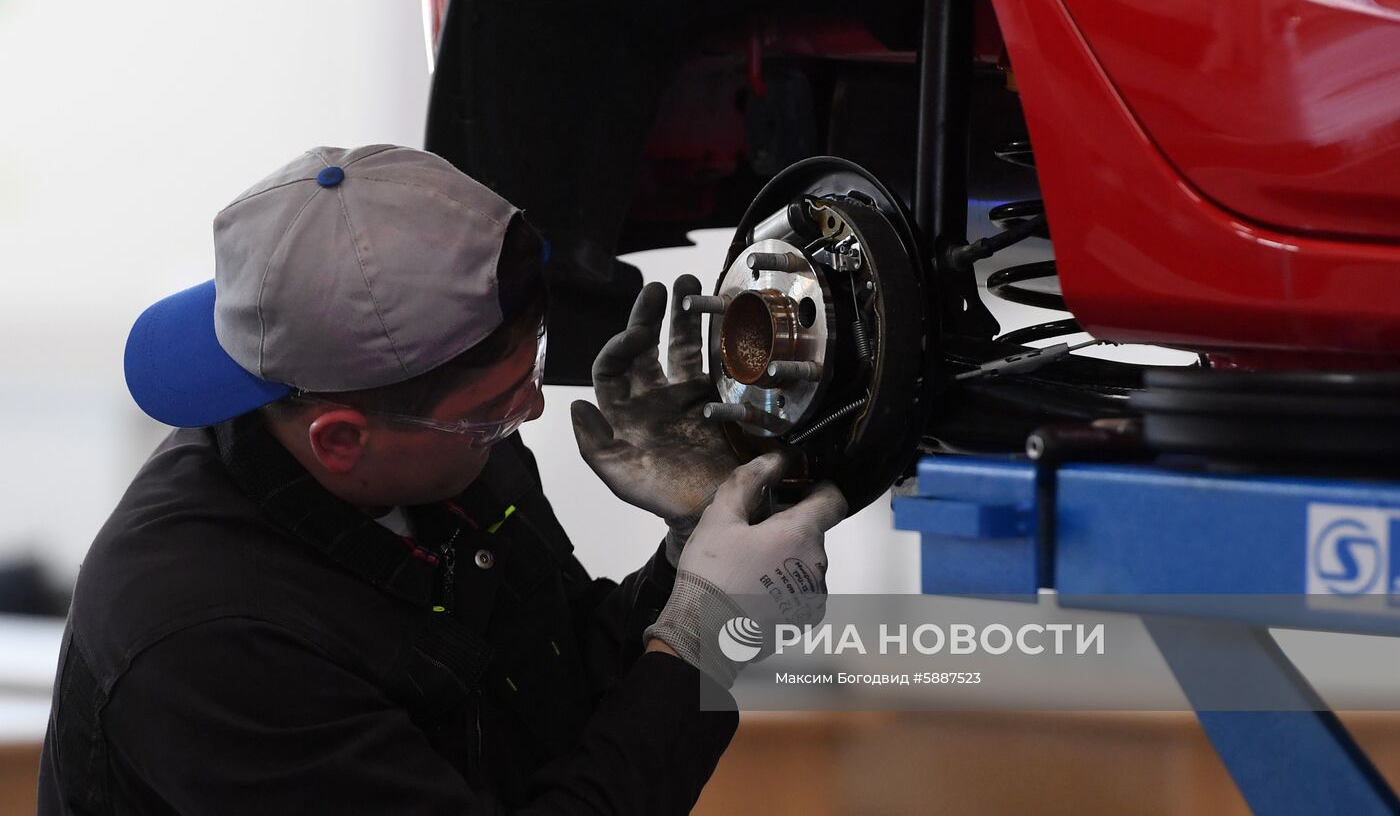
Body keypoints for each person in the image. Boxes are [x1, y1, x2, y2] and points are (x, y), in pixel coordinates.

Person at [38, 144, 846, 814]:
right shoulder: (210, 649)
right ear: (342, 440)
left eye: (531, 362)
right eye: (492, 411)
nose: (528, 411)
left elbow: (556, 686)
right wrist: (702, 647)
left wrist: (691, 552)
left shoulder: (440, 455)